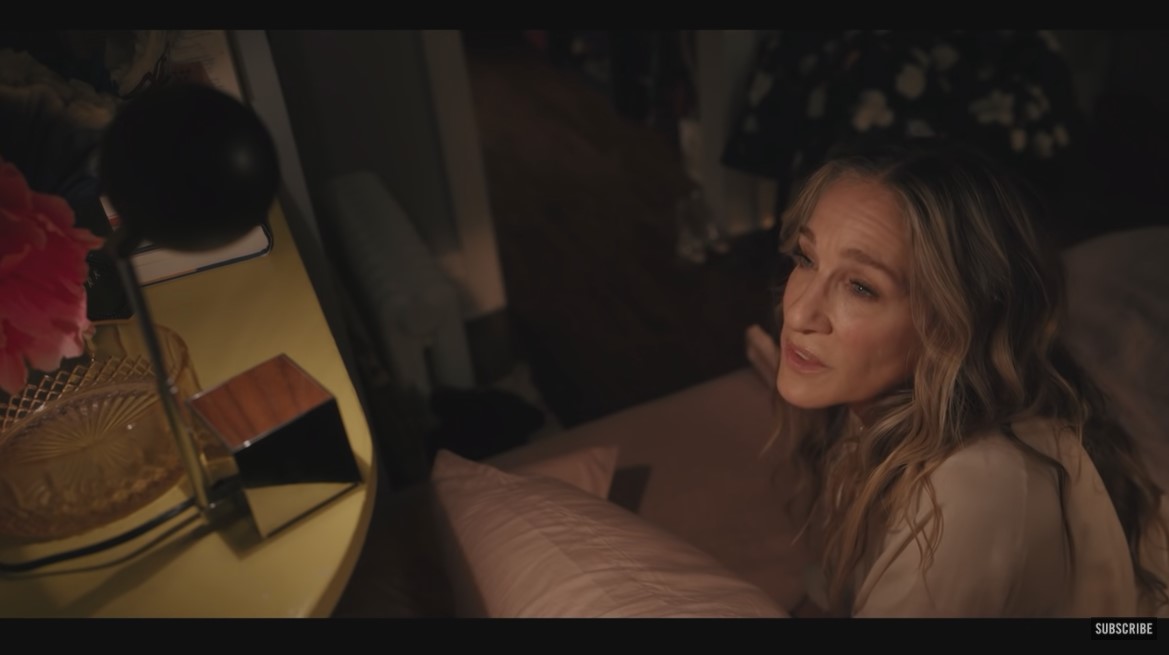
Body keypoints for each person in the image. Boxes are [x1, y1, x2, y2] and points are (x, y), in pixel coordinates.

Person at [768, 138, 1169, 617]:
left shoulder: (971, 495)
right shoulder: (876, 409)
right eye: (806, 258)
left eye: (861, 287)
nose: (798, 313)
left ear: (953, 322)